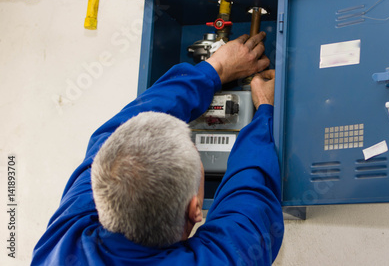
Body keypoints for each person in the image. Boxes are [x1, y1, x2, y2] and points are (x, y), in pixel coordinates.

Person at [31, 31, 284, 265]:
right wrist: (265, 106)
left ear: (99, 196)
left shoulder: (61, 244)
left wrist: (217, 69)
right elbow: (252, 193)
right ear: (195, 210)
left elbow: (115, 132)